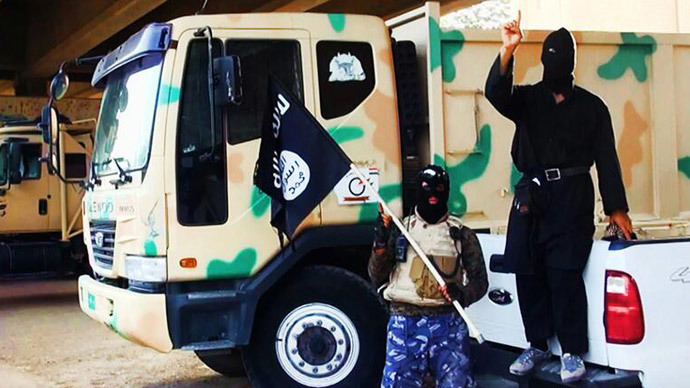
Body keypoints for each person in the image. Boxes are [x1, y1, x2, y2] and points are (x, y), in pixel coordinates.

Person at [484, 11, 633, 384]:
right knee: (527, 269)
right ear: (543, 62)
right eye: (550, 58)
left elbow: (606, 159)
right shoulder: (528, 99)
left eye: (560, 59)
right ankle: (536, 344)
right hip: (531, 195)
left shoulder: (592, 107)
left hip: (572, 197)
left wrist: (616, 209)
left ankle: (571, 352)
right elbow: (496, 93)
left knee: (565, 274)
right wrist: (507, 50)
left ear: (570, 65)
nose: (554, 65)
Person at [368, 165, 488, 388]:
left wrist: (463, 294)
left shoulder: (461, 234)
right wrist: (381, 245)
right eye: (426, 187)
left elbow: (480, 281)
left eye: (439, 188)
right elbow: (376, 276)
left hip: (448, 325)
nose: (433, 194)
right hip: (405, 323)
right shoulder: (401, 230)